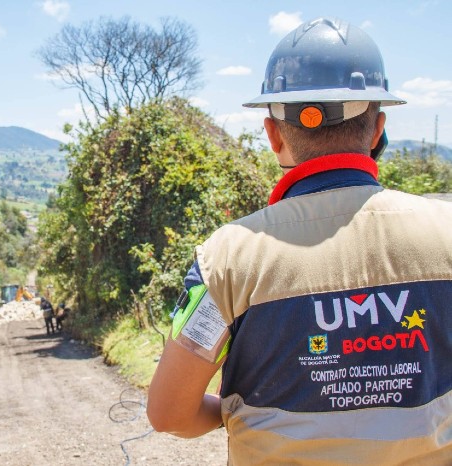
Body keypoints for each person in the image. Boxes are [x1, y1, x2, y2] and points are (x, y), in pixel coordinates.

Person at [147, 17, 452, 464]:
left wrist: (234, 411)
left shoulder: (227, 257)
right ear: (379, 128)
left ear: (273, 135)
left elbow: (169, 413)